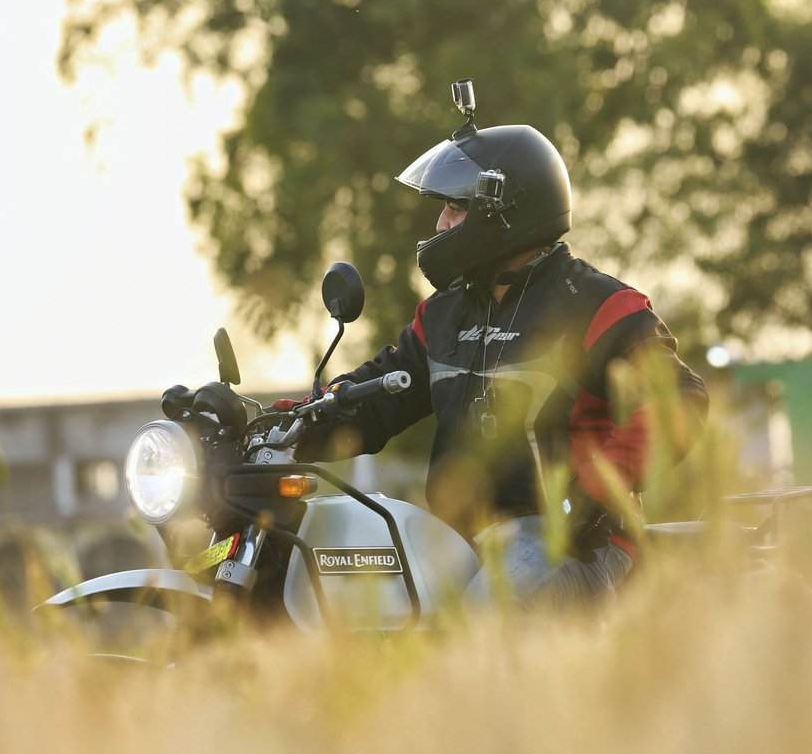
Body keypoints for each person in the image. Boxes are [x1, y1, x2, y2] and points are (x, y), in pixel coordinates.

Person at [295, 80, 709, 612]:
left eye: (454, 209)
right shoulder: (443, 314)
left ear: (503, 211)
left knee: (483, 624)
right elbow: (375, 397)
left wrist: (587, 495)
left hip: (570, 541)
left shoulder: (596, 304)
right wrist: (288, 421)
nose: (439, 224)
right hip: (457, 539)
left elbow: (680, 400)